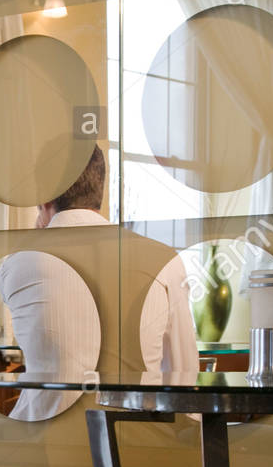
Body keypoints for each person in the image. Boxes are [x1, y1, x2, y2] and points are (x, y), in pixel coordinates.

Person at [36, 146, 199, 375]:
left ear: (45, 198)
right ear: (99, 189)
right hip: (139, 410)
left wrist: (38, 237)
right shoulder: (165, 260)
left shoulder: (19, 263)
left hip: (45, 411)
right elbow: (183, 371)